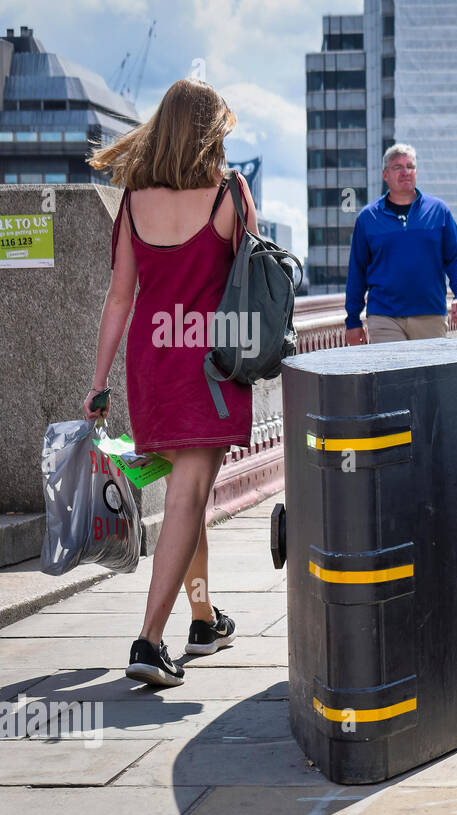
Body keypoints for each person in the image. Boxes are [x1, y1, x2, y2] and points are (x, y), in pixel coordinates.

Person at [84, 79, 253, 686]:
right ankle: (149, 641)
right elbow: (253, 282)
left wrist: (99, 383)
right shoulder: (230, 193)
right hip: (208, 365)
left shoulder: (133, 199)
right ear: (209, 130)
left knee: (188, 498)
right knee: (187, 498)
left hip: (152, 362)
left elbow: (119, 298)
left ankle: (203, 620)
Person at [344, 144, 457, 345]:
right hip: (384, 317)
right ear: (385, 174)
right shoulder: (368, 217)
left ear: (416, 172)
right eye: (397, 167)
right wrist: (352, 321)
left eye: (410, 166)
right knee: (391, 376)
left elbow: (456, 257)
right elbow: (357, 271)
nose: (405, 172)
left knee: (430, 377)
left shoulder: (438, 211)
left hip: (430, 315)